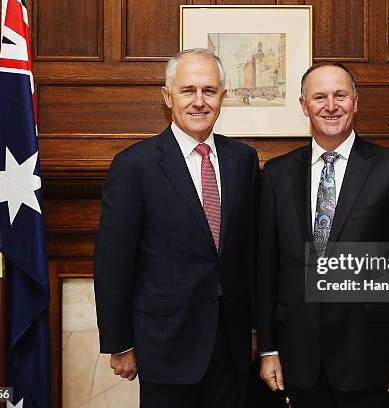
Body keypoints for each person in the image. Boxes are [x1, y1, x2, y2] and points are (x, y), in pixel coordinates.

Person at [257, 61, 389, 408]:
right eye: (319, 97)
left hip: (372, 356)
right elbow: (266, 268)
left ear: (356, 100)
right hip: (299, 358)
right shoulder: (277, 174)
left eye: (340, 95)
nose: (330, 106)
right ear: (304, 106)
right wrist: (268, 348)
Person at [94, 48, 259, 408]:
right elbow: (113, 262)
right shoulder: (134, 166)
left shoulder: (243, 160)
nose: (199, 101)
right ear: (167, 96)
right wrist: (120, 343)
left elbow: (248, 253)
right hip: (164, 344)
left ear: (222, 98)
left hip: (230, 343)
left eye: (209, 91)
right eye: (188, 90)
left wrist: (254, 329)